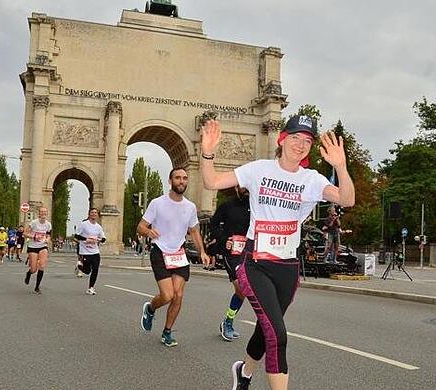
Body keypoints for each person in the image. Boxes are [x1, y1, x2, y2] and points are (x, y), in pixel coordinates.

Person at [200, 115, 355, 390]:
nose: (301, 144)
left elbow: (347, 199)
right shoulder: (259, 169)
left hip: (287, 267)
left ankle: (244, 373)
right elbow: (211, 182)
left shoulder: (312, 180)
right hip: (256, 263)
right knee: (278, 335)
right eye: (295, 137)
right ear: (282, 139)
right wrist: (208, 152)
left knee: (266, 328)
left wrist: (341, 167)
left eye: (307, 140)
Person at [138, 167, 210, 347]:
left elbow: (194, 231)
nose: (181, 181)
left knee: (178, 296)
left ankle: (167, 332)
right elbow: (140, 227)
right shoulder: (157, 203)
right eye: (177, 178)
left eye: (184, 178)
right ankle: (151, 308)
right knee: (168, 295)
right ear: (170, 181)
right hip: (160, 251)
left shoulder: (190, 206)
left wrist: (202, 251)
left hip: (179, 253)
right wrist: (148, 231)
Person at [210, 186, 250, 341]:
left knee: (244, 291)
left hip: (248, 253)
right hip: (230, 253)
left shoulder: (255, 205)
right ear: (236, 187)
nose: (246, 189)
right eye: (243, 185)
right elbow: (213, 224)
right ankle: (227, 322)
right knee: (240, 287)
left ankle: (228, 320)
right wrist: (223, 239)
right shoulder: (227, 205)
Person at [74, 208, 107, 295]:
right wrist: (86, 239)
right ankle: (79, 267)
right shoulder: (84, 224)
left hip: (95, 252)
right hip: (85, 251)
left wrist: (100, 240)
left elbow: (103, 238)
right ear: (89, 214)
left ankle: (91, 288)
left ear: (97, 215)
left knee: (95, 269)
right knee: (87, 271)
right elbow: (76, 236)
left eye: (95, 213)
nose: (94, 214)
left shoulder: (98, 227)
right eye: (92, 213)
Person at [24, 207, 52, 294]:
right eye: (41, 212)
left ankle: (37, 287)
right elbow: (25, 233)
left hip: (43, 246)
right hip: (33, 246)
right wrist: (34, 237)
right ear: (39, 213)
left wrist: (47, 239)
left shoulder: (48, 224)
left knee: (42, 266)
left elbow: (48, 235)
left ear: (47, 213)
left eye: (45, 212)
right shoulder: (33, 223)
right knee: (33, 269)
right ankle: (29, 273)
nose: (43, 213)